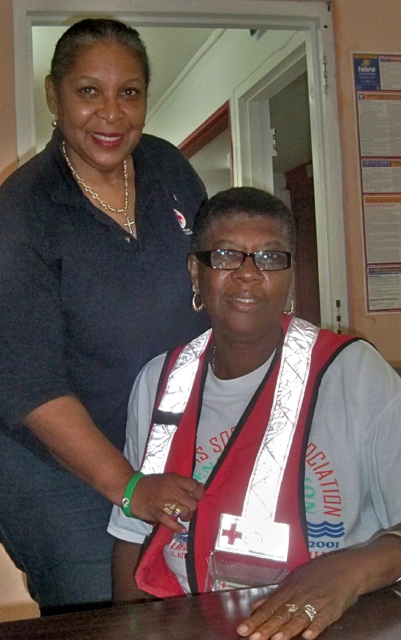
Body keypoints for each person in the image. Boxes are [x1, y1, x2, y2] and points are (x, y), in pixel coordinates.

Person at [108, 187, 401, 640]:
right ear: (196, 271)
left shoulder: (353, 373)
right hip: (185, 618)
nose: (249, 275)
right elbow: (132, 534)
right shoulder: (159, 380)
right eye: (227, 255)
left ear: (290, 275)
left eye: (270, 258)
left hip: (328, 622)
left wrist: (346, 573)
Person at [0, 18, 209, 614]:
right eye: (89, 91)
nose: (111, 114)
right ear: (54, 96)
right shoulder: (24, 212)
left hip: (163, 442)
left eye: (130, 92)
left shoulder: (168, 169)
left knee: (185, 602)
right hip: (56, 470)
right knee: (104, 611)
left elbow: (214, 274)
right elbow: (30, 385)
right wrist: (129, 486)